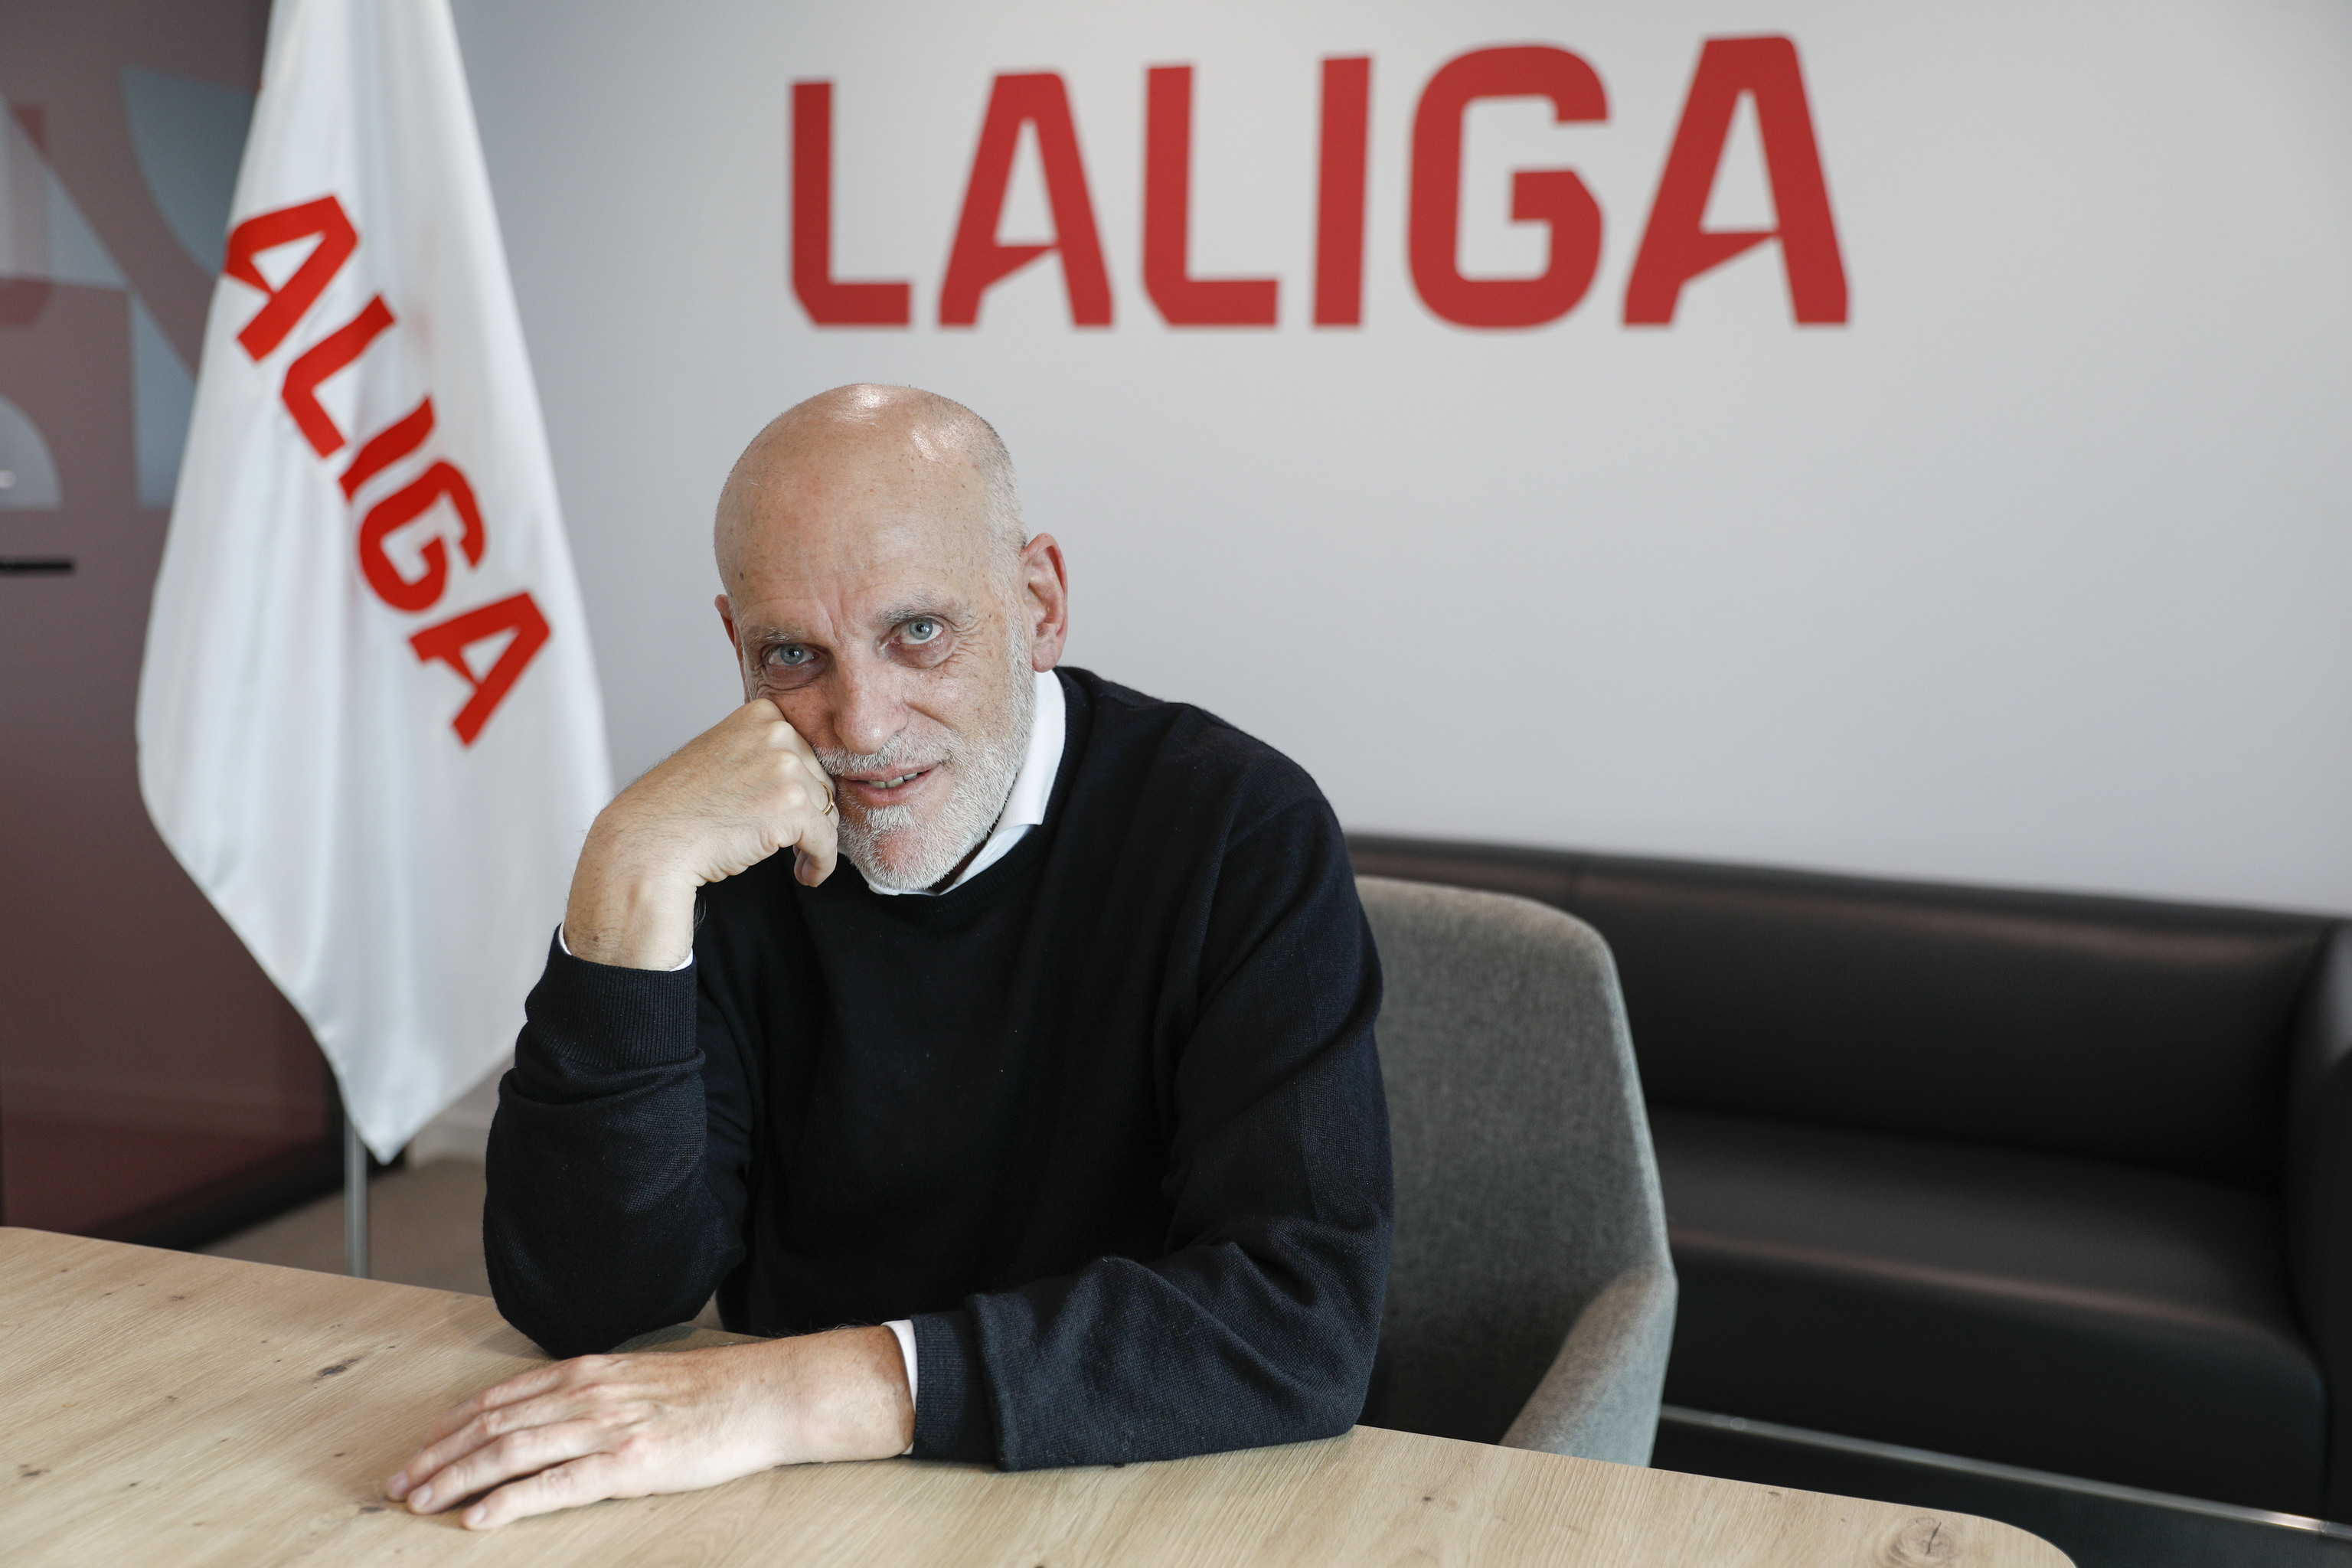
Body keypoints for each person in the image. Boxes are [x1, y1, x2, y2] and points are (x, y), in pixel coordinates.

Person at [385, 384, 1392, 1529]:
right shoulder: (722, 844)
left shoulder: (1236, 829)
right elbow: (584, 1298)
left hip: (1157, 1495)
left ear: (1040, 603)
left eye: (919, 633)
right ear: (737, 645)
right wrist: (625, 875)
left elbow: (1300, 1320)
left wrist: (803, 1391)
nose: (859, 726)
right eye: (793, 655)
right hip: (817, 1509)